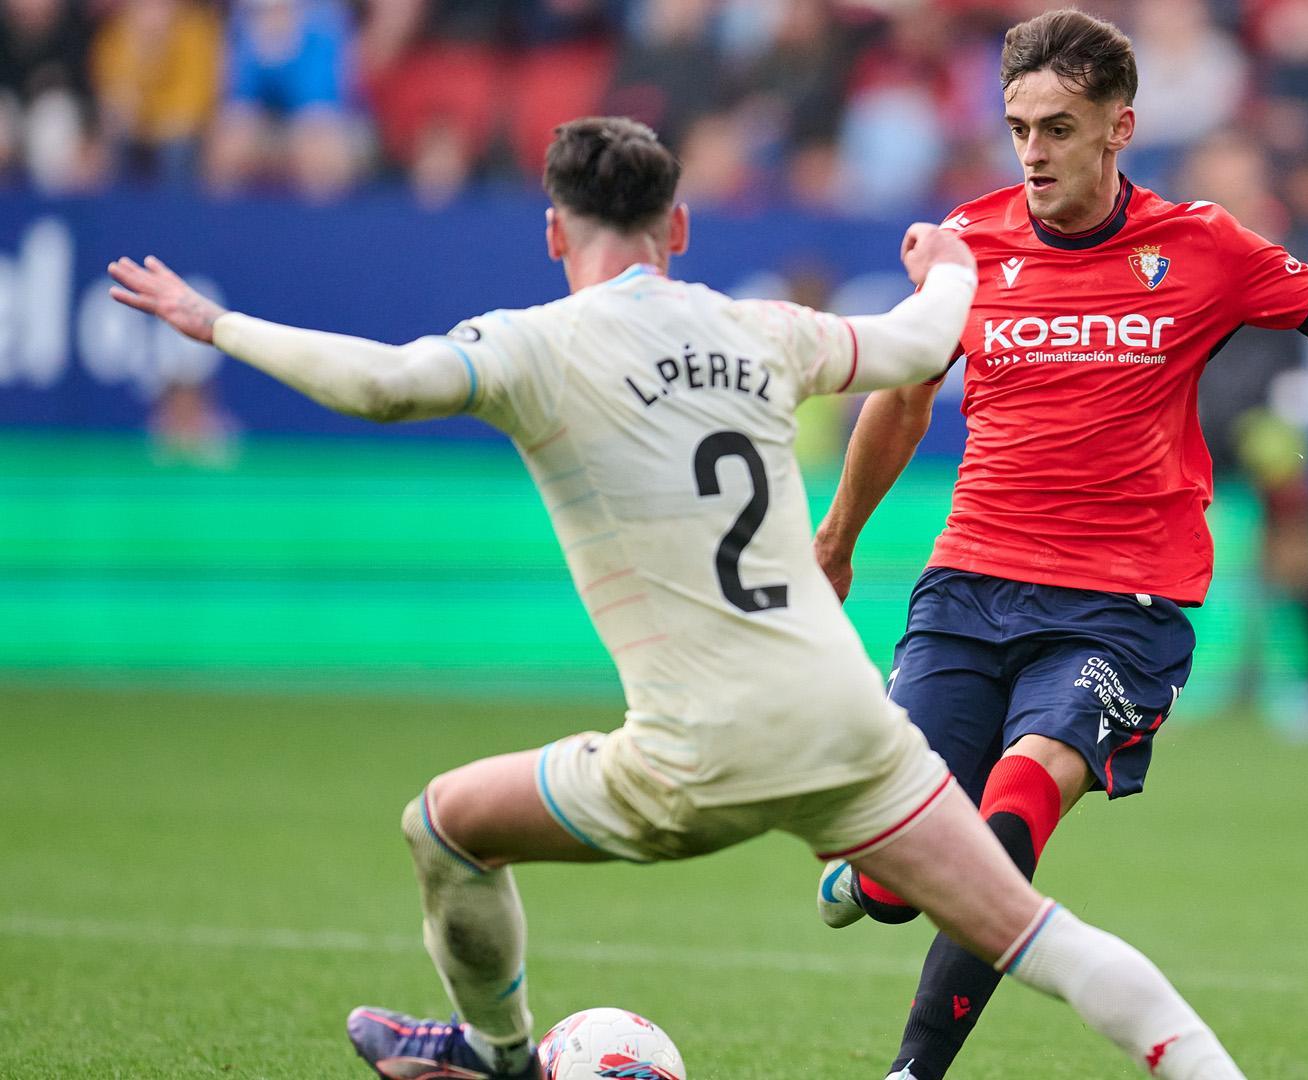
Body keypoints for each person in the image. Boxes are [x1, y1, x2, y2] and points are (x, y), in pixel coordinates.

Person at [108, 116, 1246, 1080]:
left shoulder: (532, 346)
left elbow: (382, 385)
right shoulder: (760, 328)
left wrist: (220, 327)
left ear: (554, 232)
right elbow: (913, 344)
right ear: (680, 229)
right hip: (851, 727)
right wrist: (953, 263)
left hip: (693, 751)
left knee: (444, 826)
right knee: (1035, 935)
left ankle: (495, 1055)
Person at [810, 11, 1308, 1080]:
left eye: (1060, 126)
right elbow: (902, 405)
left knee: (1012, 816)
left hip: (1117, 609)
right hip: (966, 591)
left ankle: (910, 1073)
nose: (1036, 151)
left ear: (1118, 128)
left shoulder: (1201, 247)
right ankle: (880, 883)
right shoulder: (970, 246)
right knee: (913, 861)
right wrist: (836, 539)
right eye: (1018, 128)